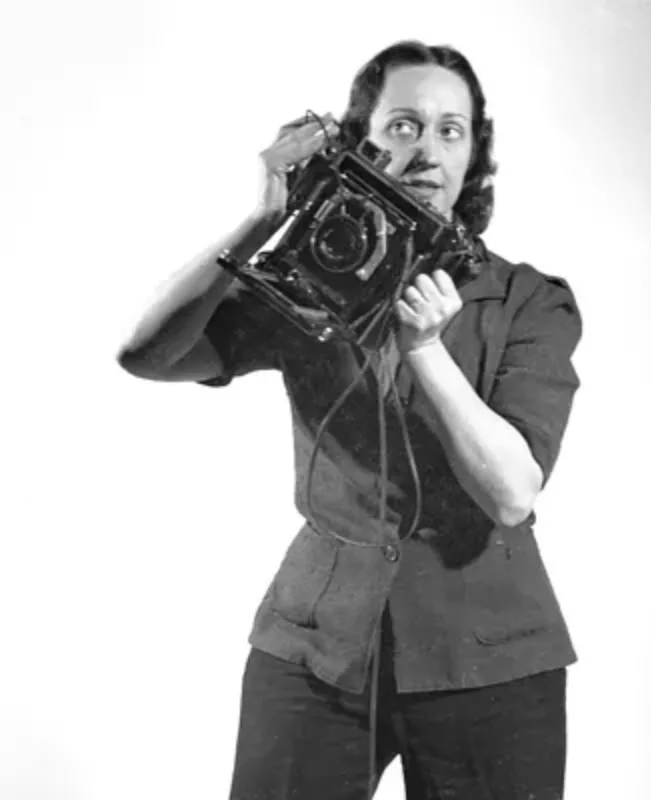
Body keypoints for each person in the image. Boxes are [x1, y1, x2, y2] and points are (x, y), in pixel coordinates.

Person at [117, 39, 583, 800]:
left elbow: (513, 494)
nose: (426, 150)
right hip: (317, 645)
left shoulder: (531, 302)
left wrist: (426, 350)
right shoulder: (308, 278)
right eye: (403, 125)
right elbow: (147, 355)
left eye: (450, 130)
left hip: (489, 654)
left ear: (474, 157)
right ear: (361, 141)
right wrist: (261, 219)